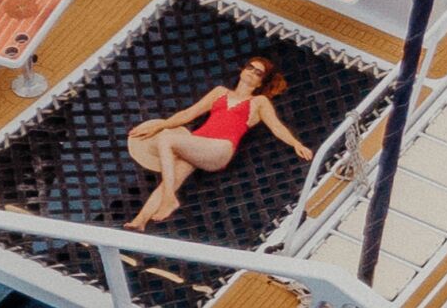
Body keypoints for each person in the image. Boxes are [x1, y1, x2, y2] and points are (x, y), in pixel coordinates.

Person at [125, 57, 310, 227]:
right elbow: (188, 114)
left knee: (166, 138)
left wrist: (296, 144)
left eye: (258, 73)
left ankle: (169, 200)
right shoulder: (220, 92)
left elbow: (276, 127)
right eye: (250, 68)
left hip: (221, 149)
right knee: (170, 177)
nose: (251, 72)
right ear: (242, 70)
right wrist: (157, 126)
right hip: (198, 143)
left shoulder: (258, 102)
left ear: (261, 82)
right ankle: (139, 221)